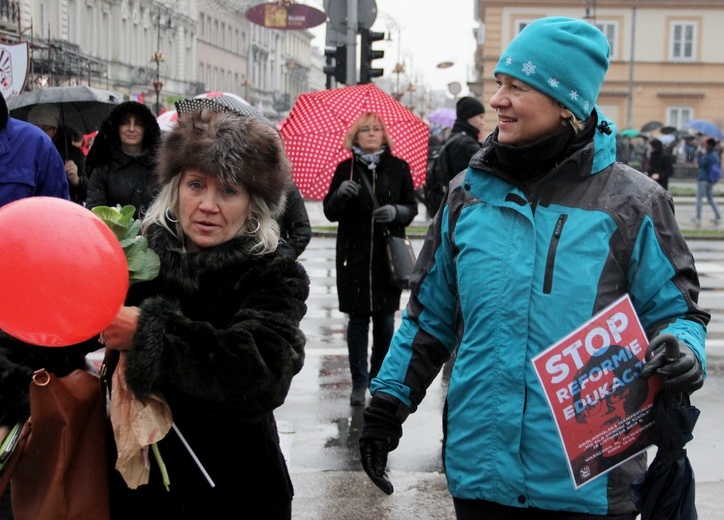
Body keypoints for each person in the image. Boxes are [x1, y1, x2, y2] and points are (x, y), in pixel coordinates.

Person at [359, 17, 708, 519]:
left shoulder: (633, 202)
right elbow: (428, 319)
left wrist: (683, 351)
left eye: (517, 87)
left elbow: (678, 313)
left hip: (588, 485)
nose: (498, 99)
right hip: (481, 478)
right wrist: (386, 407)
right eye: (499, 83)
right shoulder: (466, 194)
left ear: (567, 104)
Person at [100, 109, 309, 519]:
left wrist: (149, 335)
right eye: (196, 185)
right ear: (176, 189)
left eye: (228, 191)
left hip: (233, 491)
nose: (208, 205)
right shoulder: (133, 262)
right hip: (140, 494)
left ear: (253, 204)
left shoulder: (272, 274)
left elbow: (261, 371)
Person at [322, 111, 418, 406]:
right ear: (356, 136)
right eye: (365, 129)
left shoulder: (399, 168)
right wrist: (340, 195)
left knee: (386, 322)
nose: (372, 133)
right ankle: (358, 382)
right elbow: (329, 212)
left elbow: (412, 207)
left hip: (386, 261)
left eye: (377, 129)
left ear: (384, 135)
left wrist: (396, 212)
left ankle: (378, 378)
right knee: (357, 322)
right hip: (355, 259)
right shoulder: (345, 169)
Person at [86, 101, 161, 219]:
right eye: (125, 123)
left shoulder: (160, 165)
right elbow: (96, 213)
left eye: (138, 123)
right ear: (117, 127)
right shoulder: (103, 168)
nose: (131, 129)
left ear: (146, 128)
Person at [0, 93, 69, 207]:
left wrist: (79, 180)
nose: (43, 129)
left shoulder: (37, 143)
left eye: (46, 127)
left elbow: (58, 214)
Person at [26, 103, 88, 204]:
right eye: (36, 128)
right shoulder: (23, 151)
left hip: (65, 208)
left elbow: (89, 193)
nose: (40, 132)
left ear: (54, 129)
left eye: (46, 128)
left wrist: (77, 180)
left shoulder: (73, 154)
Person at [276, 180, 312, 260]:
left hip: (274, 266)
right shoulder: (245, 185)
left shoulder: (286, 187)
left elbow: (301, 230)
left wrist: (282, 257)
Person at [693, 137, 721, 226]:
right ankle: (718, 216)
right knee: (710, 198)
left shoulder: (709, 155)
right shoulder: (715, 155)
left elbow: (701, 164)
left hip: (703, 179)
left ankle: (698, 218)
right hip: (711, 179)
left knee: (699, 198)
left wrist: (699, 155)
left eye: (706, 144)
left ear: (709, 145)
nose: (704, 145)